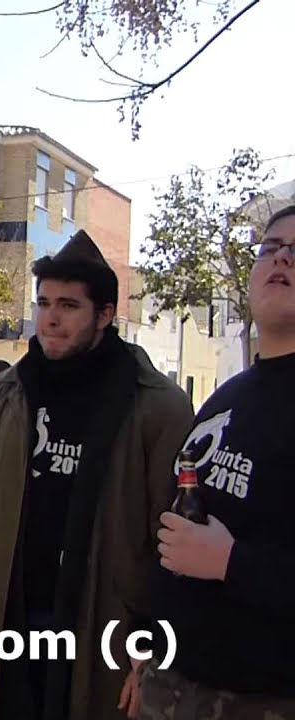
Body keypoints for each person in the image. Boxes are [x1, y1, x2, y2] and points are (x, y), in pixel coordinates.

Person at [0, 230, 194, 720]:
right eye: (43, 302)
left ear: (105, 315)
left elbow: (171, 541)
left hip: (100, 624)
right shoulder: (6, 396)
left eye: (68, 305)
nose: (51, 317)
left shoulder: (156, 407)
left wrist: (153, 641)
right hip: (3, 614)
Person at [136, 205, 295, 718]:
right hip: (174, 685)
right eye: (271, 248)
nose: (282, 259)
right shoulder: (229, 395)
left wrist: (232, 563)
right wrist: (146, 656)